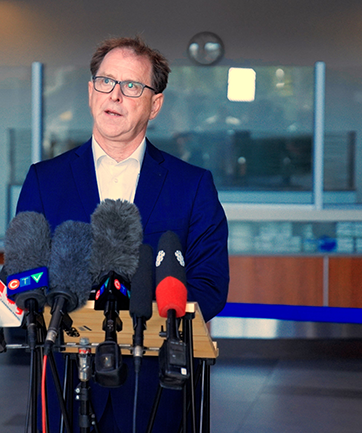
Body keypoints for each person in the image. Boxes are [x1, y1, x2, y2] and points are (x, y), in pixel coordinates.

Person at [16, 36, 229, 432]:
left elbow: (210, 285)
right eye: (105, 82)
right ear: (90, 91)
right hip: (64, 384)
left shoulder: (192, 185)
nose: (115, 95)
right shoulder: (45, 180)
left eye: (131, 86)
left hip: (158, 388)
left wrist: (138, 309)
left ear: (155, 104)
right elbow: (26, 270)